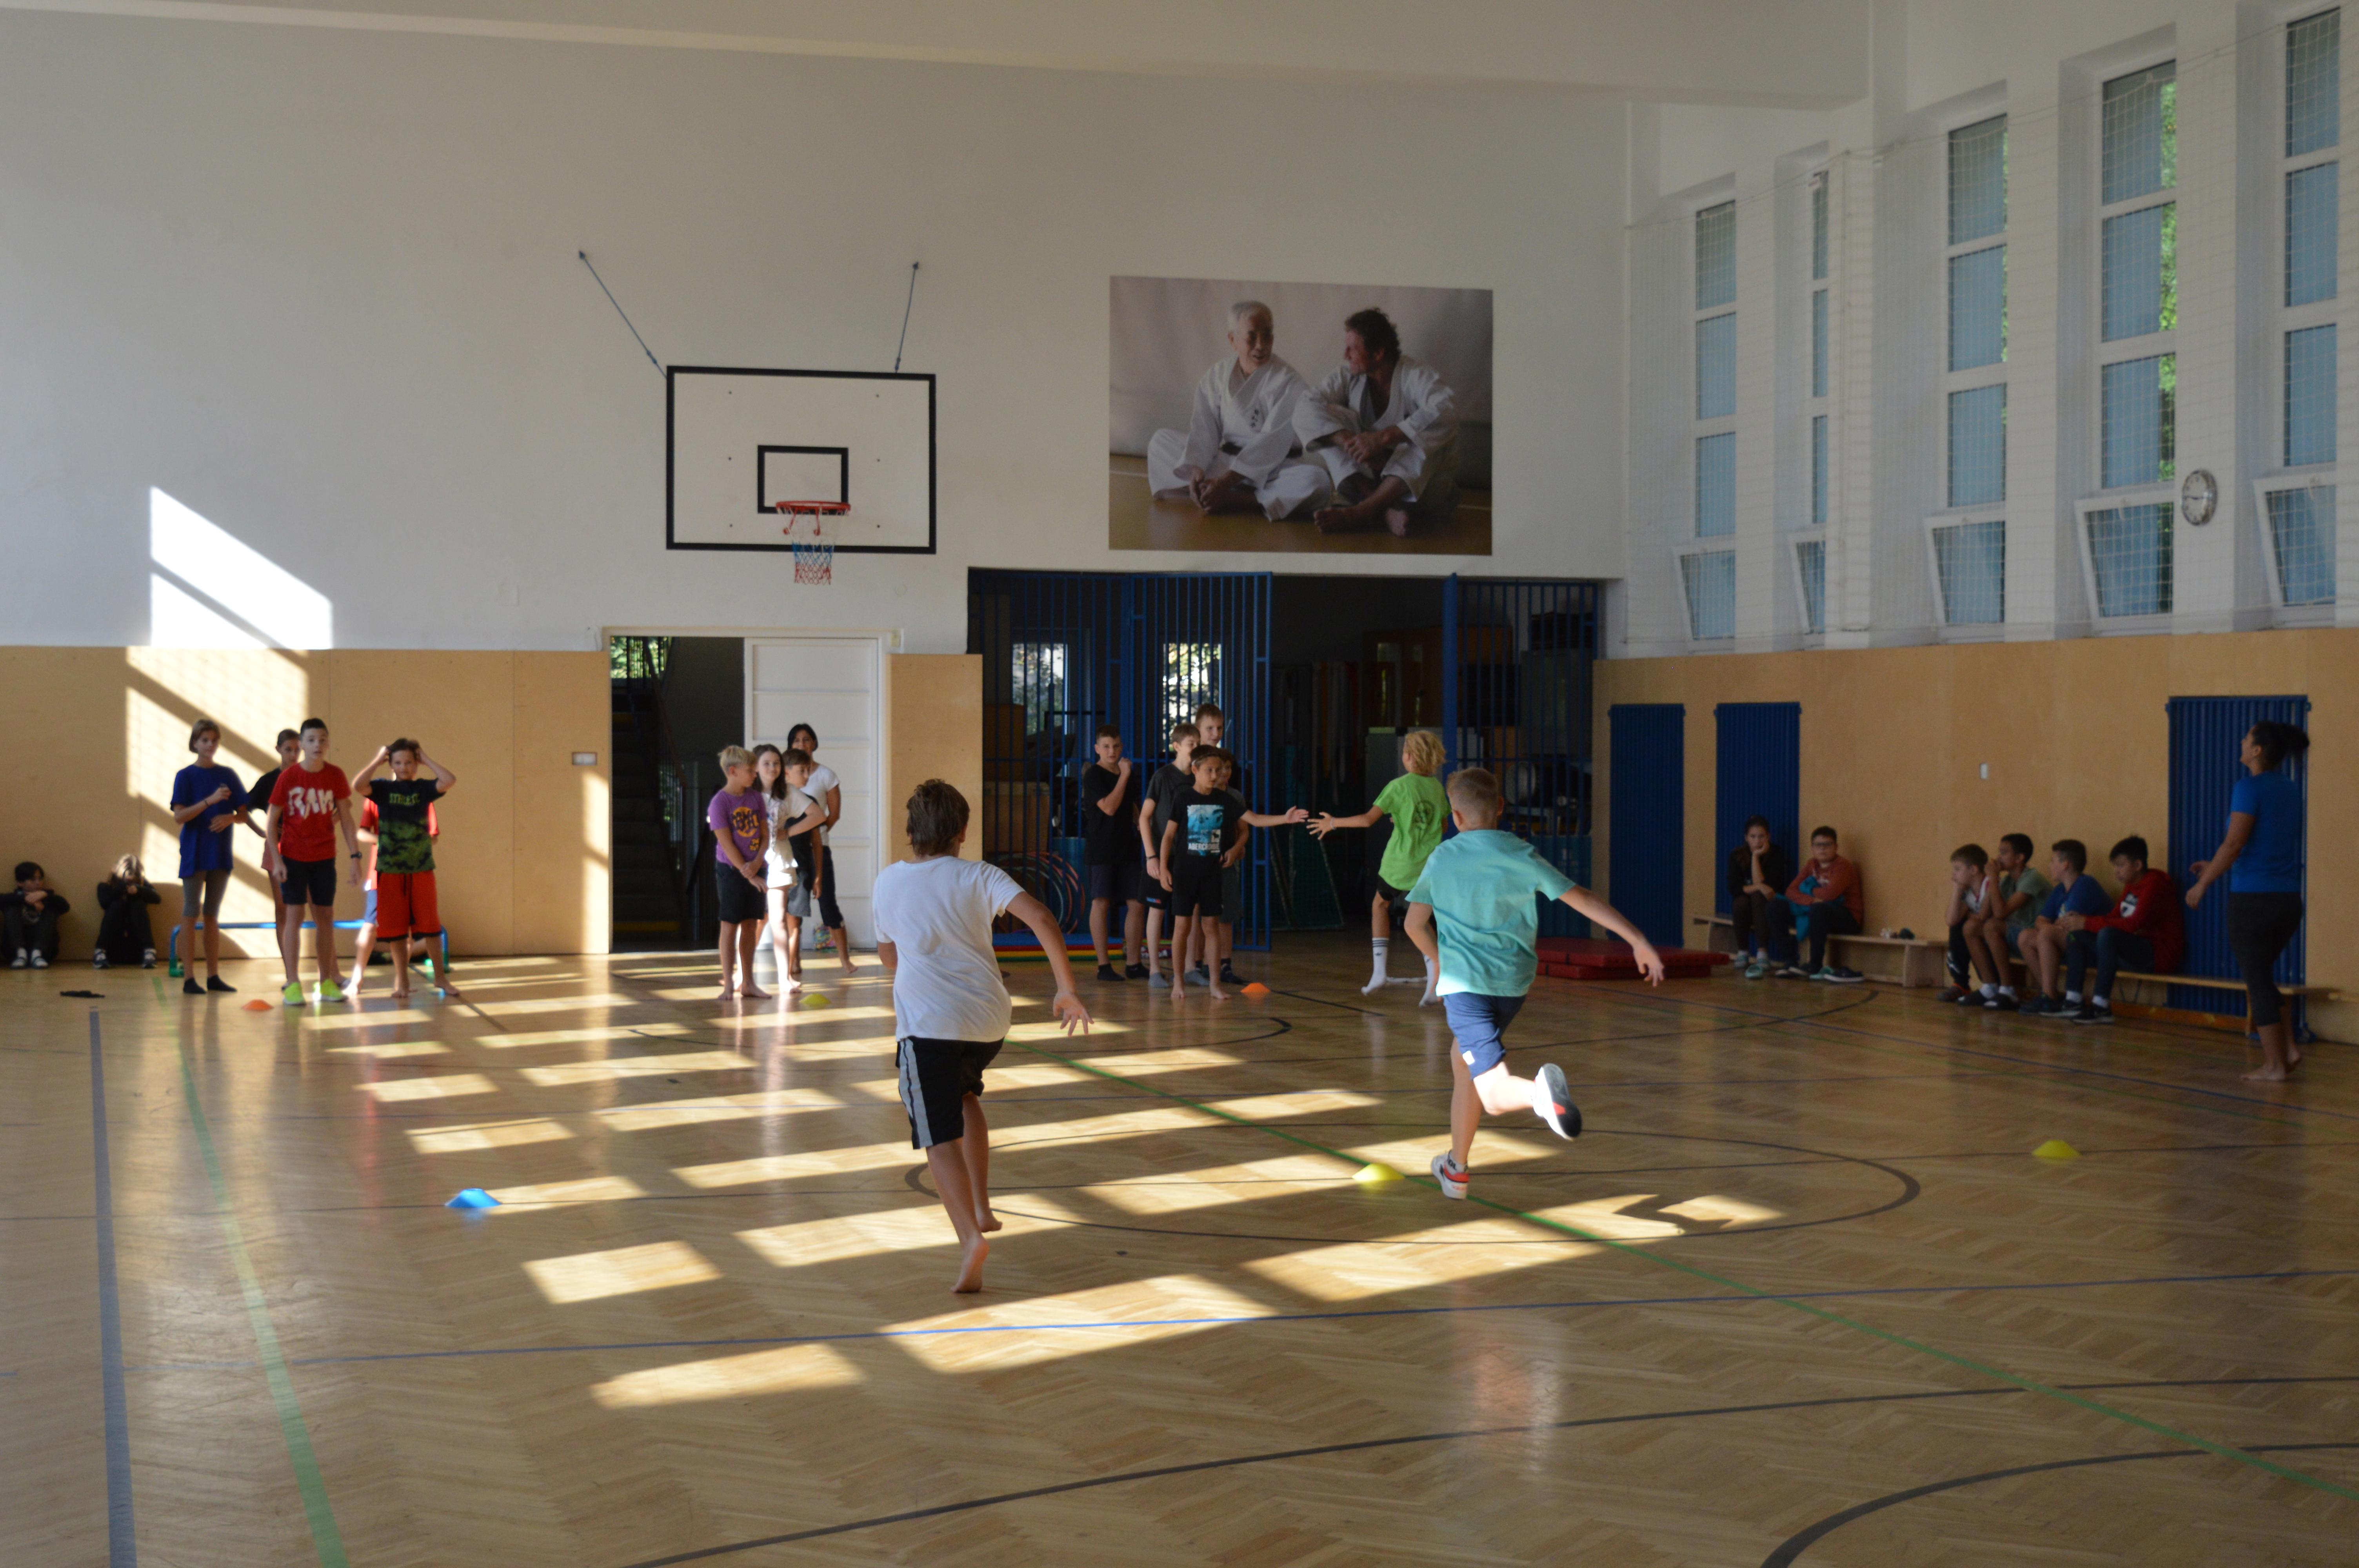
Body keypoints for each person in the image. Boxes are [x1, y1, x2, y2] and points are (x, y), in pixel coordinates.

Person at [1403, 768, 1666, 1201]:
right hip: (1512, 986)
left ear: (1456, 817)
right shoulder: (1521, 854)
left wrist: (1441, 962)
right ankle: (1456, 1169)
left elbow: (1414, 925)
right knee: (1463, 1064)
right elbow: (1582, 898)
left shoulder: (1443, 858)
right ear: (1501, 807)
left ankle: (1541, 1097)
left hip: (1467, 989)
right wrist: (1637, 939)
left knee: (1492, 1093)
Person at [873, 779, 1091, 1294]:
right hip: (989, 1022)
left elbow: (889, 958)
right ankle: (983, 1207)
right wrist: (1066, 989)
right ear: (963, 832)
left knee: (936, 1135)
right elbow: (1041, 917)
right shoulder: (981, 875)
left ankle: (970, 1238)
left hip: (929, 1027)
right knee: (965, 1094)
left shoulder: (888, 882)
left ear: (910, 833)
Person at [2185, 720, 2311, 1081]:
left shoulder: (2248, 787)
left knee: (2257, 981)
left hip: (2253, 902)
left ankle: (2274, 1066)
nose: (2241, 742)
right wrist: (2214, 865)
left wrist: (2203, 884)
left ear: (2256, 751)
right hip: (2288, 901)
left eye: (2246, 739)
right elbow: (2262, 845)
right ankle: (2288, 1050)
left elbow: (2235, 843)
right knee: (2263, 977)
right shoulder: (2290, 789)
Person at [1145, 300, 1329, 521]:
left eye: (1267, 336)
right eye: (1252, 337)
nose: (1261, 345)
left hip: (1275, 468)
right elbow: (1204, 429)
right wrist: (1197, 471)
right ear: (1233, 340)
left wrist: (1224, 484)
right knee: (1161, 442)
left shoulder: (1290, 382)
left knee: (1317, 481)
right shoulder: (1217, 375)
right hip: (1227, 462)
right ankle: (1206, 489)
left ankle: (1236, 499)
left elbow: (1271, 444)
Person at [1295, 307, 1461, 537]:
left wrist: (1383, 439)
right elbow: (1304, 407)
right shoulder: (1349, 375)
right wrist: (1353, 444)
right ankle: (1381, 507)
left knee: (1427, 439)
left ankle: (1362, 512)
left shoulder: (1415, 374)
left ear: (1378, 353)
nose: (1345, 355)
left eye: (1353, 349)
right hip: (1368, 481)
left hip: (1420, 490)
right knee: (1324, 418)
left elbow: (1448, 410)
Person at [1156, 747, 1306, 1002]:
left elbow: (1255, 820)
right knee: (1182, 927)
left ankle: (1215, 984)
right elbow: (1169, 835)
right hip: (1185, 873)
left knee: (1211, 927)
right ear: (1195, 770)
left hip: (1212, 874)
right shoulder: (1183, 798)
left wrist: (1285, 818)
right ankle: (1178, 981)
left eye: (1219, 771)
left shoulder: (1225, 800)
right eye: (1209, 771)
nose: (1215, 776)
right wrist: (1163, 868)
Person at [1310, 729, 1450, 999]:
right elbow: (1442, 825)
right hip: (1429, 867)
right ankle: (1434, 976)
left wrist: (1333, 823)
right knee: (1421, 921)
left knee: (1380, 905)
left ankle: (1380, 972)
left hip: (1400, 864)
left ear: (1408, 757)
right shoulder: (1436, 788)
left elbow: (1367, 820)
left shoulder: (1398, 786)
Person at [265, 717, 363, 1005]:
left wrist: (355, 856)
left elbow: (346, 818)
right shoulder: (289, 778)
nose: (317, 745)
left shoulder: (335, 776)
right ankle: (293, 983)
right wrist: (277, 860)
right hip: (293, 857)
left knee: (325, 918)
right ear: (302, 745)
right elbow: (271, 822)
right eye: (311, 741)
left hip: (324, 857)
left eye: (322, 740)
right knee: (294, 916)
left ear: (328, 743)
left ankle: (326, 982)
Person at [353, 739, 456, 1002]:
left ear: (416, 764)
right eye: (398, 763)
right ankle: (403, 981)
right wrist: (377, 761)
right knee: (396, 931)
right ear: (391, 764)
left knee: (431, 927)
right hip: (389, 871)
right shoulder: (383, 789)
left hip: (421, 869)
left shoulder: (423, 789)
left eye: (410, 762)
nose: (404, 767)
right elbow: (358, 786)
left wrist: (427, 759)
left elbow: (449, 780)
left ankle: (441, 978)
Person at [171, 717, 260, 994]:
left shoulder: (228, 775)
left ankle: (213, 976)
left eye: (214, 741)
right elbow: (179, 816)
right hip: (195, 850)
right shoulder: (185, 776)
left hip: (220, 852)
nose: (210, 745)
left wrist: (230, 818)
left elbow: (243, 813)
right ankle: (189, 978)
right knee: (191, 912)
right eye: (205, 740)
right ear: (195, 743)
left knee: (212, 914)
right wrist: (209, 801)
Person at [2058, 835, 2184, 1026]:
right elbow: (2114, 917)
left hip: (2158, 955)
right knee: (2076, 934)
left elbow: (2133, 925)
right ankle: (2073, 999)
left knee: (2107, 935)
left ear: (2138, 865)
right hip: (2135, 949)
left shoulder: (2154, 885)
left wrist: (2087, 923)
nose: (2116, 871)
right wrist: (2082, 921)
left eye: (2121, 865)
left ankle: (2101, 1006)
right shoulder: (2131, 886)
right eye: (2115, 866)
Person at [1136, 719, 1202, 987]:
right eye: (1191, 744)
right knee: (1157, 910)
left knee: (1191, 911)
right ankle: (1154, 970)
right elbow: (1144, 818)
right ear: (1177, 747)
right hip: (1163, 856)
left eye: (1198, 744)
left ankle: (1189, 968)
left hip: (1190, 856)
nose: (1196, 748)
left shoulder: (1199, 776)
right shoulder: (1163, 777)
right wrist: (1151, 856)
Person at [1078, 725, 1148, 980]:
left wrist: (1143, 825)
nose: (1112, 751)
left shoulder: (1126, 773)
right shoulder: (1093, 775)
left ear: (1122, 747)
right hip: (1101, 848)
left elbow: (1130, 806)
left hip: (1127, 847)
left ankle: (1134, 963)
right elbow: (1109, 807)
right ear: (1097, 749)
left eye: (1116, 746)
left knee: (1137, 903)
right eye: (1106, 746)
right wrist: (1124, 776)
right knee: (1102, 902)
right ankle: (1104, 966)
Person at [785, 723, 856, 975]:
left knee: (828, 903)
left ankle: (845, 960)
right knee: (794, 908)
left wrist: (816, 833)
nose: (802, 744)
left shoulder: (826, 775)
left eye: (807, 739)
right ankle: (794, 961)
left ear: (814, 743)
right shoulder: (785, 777)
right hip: (791, 853)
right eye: (797, 740)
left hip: (819, 848)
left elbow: (833, 814)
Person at [2016, 840, 2113, 1017]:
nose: (2050, 865)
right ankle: (2050, 993)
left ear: (2065, 865)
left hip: (2091, 949)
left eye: (2053, 861)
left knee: (2046, 933)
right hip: (2069, 943)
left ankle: (2049, 996)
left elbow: (2069, 926)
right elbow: (2040, 921)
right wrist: (2053, 926)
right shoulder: (2060, 889)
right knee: (2025, 937)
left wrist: (2051, 927)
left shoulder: (2085, 885)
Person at [708, 745, 771, 1002]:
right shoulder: (719, 803)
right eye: (751, 770)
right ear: (733, 771)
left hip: (756, 868)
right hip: (731, 871)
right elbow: (727, 844)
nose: (755, 774)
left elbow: (765, 836)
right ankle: (728, 984)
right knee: (730, 925)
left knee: (751, 924)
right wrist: (749, 874)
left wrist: (758, 863)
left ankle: (748, 983)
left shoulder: (756, 798)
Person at [1961, 833, 2049, 1011]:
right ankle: (1990, 987)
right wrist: (1991, 881)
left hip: (2035, 937)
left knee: (1993, 927)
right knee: (1971, 928)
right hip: (2018, 936)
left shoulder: (2032, 878)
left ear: (2019, 858)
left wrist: (1993, 879)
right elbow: (1984, 914)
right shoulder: (2008, 881)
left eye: (2004, 853)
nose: (1998, 858)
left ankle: (2008, 990)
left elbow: (2001, 914)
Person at [1779, 826, 1865, 982]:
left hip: (1847, 918)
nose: (1823, 849)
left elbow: (1829, 895)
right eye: (1818, 845)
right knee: (1776, 907)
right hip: (1817, 913)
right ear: (1812, 848)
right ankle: (1790, 961)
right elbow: (1791, 891)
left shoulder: (1843, 866)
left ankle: (1815, 965)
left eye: (1827, 845)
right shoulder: (1811, 865)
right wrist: (1811, 900)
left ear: (1836, 847)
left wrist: (1808, 889)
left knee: (1819, 909)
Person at [1725, 816, 1795, 979]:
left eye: (1762, 836)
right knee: (1740, 902)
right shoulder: (1736, 855)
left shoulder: (1776, 854)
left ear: (1768, 836)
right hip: (1745, 904)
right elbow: (1735, 888)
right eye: (1753, 837)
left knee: (1758, 896)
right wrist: (1758, 887)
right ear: (1746, 838)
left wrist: (1756, 857)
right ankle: (1743, 952)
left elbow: (1770, 888)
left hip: (1767, 904)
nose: (1757, 841)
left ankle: (1763, 953)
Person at [246, 727, 300, 943]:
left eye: (297, 750)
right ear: (278, 749)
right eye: (288, 750)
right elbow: (243, 809)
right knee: (283, 905)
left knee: (308, 904)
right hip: (277, 847)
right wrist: (261, 831)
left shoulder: (308, 778)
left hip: (305, 847)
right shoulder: (269, 781)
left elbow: (337, 809)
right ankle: (288, 962)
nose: (293, 755)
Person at [1938, 844, 1991, 1003]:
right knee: (1958, 926)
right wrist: (1957, 889)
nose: (1953, 875)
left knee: (1970, 926)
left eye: (1957, 869)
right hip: (1979, 936)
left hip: (1995, 938)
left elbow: (1987, 917)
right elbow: (1951, 920)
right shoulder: (1967, 891)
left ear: (1973, 870)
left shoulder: (1991, 884)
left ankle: (1992, 986)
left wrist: (1971, 916)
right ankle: (1961, 984)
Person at [93, 855, 161, 969]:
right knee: (116, 906)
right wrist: (120, 890)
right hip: (112, 949)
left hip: (137, 950)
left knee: (137, 904)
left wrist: (139, 890)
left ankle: (149, 951)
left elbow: (157, 899)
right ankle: (100, 951)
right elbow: (104, 903)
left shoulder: (142, 885)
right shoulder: (106, 886)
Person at [4, 862, 67, 969]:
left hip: (45, 952)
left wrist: (46, 895)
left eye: (40, 879)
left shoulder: (48, 899)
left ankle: (37, 954)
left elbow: (65, 906)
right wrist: (26, 899)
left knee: (51, 909)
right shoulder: (14, 899)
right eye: (33, 880)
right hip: (14, 953)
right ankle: (21, 953)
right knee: (11, 908)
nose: (38, 883)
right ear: (20, 883)